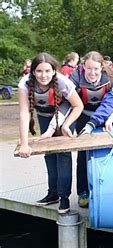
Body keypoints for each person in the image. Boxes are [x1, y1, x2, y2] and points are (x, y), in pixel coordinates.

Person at [17, 52, 83, 213]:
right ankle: (52, 193)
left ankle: (64, 197)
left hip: (64, 116)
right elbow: (24, 113)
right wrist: (24, 144)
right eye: (39, 71)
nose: (43, 75)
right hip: (44, 115)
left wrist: (66, 125)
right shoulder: (25, 83)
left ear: (54, 71)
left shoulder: (62, 82)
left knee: (63, 156)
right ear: (32, 72)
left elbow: (78, 105)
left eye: (47, 71)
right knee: (49, 154)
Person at [70, 51, 113, 208]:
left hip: (105, 119)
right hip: (83, 117)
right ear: (83, 66)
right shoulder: (75, 78)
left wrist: (109, 120)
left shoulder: (110, 78)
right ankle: (83, 191)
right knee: (83, 155)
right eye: (89, 68)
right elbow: (68, 102)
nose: (92, 72)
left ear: (101, 67)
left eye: (96, 69)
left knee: (106, 153)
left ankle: (106, 189)